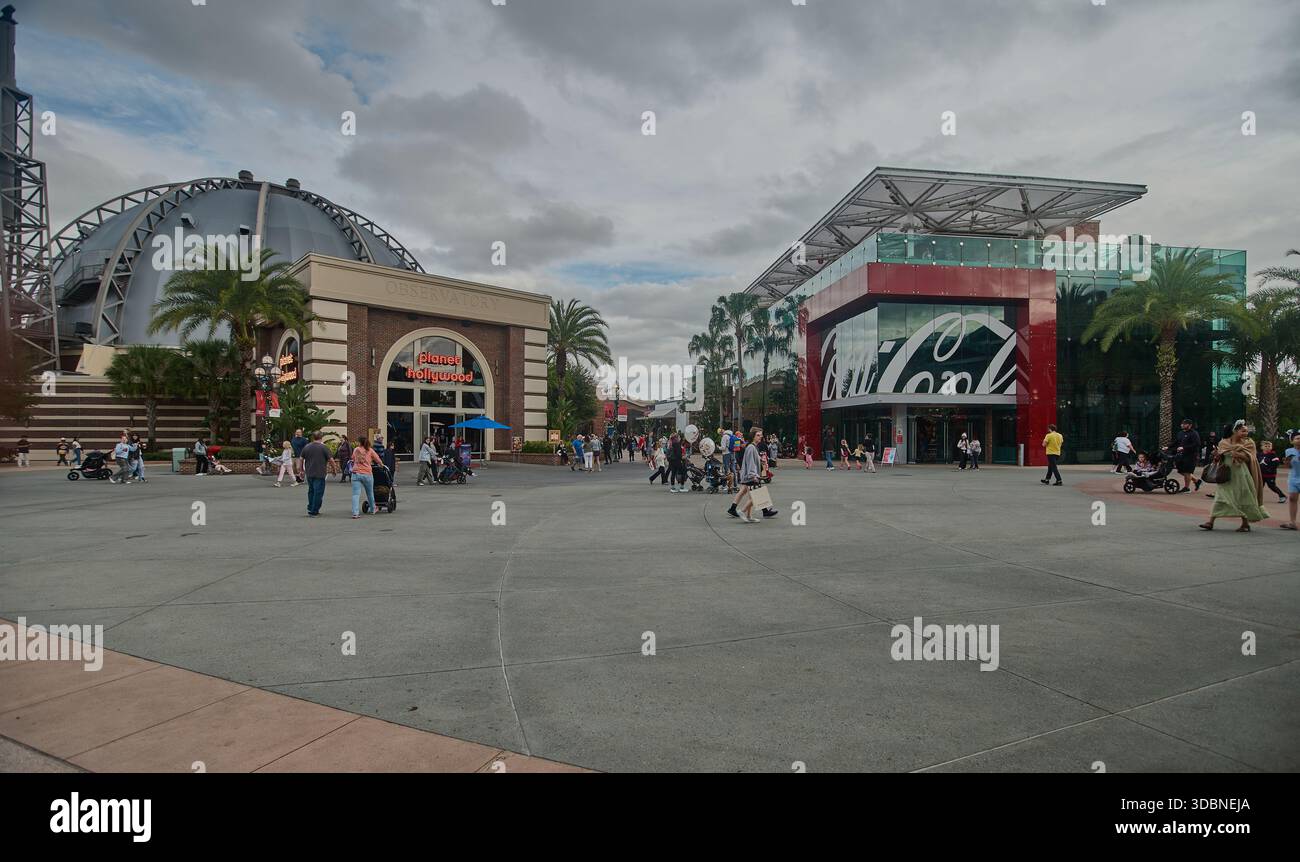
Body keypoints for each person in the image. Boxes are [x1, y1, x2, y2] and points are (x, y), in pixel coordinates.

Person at [1199, 420, 1267, 532]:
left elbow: (1251, 458)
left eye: (1246, 431)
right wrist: (1217, 455)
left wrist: (1239, 454)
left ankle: (1245, 523)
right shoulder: (1223, 442)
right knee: (1220, 496)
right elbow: (1221, 458)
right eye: (1243, 431)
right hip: (1226, 474)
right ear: (1234, 431)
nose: (1246, 433)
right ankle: (1210, 522)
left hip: (1241, 474)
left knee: (1243, 497)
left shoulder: (1248, 443)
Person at [728, 427, 777, 522]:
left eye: (761, 435)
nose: (760, 437)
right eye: (758, 435)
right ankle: (742, 511)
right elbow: (750, 462)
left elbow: (752, 459)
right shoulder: (751, 447)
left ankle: (749, 516)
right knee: (757, 496)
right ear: (753, 436)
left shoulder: (752, 447)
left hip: (749, 475)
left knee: (754, 495)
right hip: (751, 476)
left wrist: (760, 459)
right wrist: (753, 475)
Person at [349, 435, 384, 519]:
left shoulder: (356, 450)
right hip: (367, 473)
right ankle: (373, 509)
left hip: (356, 473)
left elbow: (353, 458)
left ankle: (355, 513)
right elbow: (377, 459)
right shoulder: (370, 450)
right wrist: (381, 465)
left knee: (355, 494)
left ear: (359, 442)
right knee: (370, 492)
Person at [302, 431, 330, 517]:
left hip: (309, 472)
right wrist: (334, 469)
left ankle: (311, 507)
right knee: (318, 492)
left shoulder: (307, 447)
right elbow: (331, 460)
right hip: (320, 473)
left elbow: (300, 458)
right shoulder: (324, 447)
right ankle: (314, 510)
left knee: (311, 491)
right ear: (321, 437)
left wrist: (300, 470)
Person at [1174, 418, 1202, 493]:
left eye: (1185, 424)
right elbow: (1176, 442)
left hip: (1191, 455)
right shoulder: (1180, 433)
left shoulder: (1194, 433)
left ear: (1190, 425)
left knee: (1187, 472)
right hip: (1181, 455)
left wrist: (1184, 448)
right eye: (1182, 423)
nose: (1182, 425)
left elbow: (1197, 444)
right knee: (1180, 470)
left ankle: (1186, 488)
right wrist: (1168, 447)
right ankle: (1196, 481)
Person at [1281, 430, 1300, 531]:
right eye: (1297, 438)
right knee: (1292, 498)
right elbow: (1288, 466)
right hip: (1293, 478)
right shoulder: (1289, 451)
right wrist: (1286, 462)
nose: (1299, 440)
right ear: (1292, 441)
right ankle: (1292, 522)